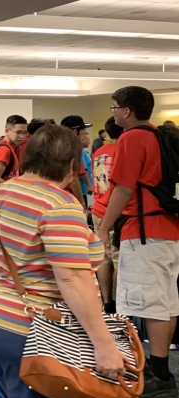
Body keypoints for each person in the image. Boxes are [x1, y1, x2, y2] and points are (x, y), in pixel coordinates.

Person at [0, 124, 124, 398]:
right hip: (33, 330)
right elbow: (73, 278)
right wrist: (104, 343)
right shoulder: (60, 206)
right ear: (71, 165)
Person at [97, 86, 179, 398]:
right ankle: (160, 368)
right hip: (167, 229)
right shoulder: (159, 135)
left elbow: (123, 188)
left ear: (127, 110)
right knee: (167, 302)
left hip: (144, 231)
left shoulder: (132, 138)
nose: (113, 112)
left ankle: (159, 374)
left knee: (152, 304)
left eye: (115, 107)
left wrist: (104, 228)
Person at [91, 117, 125, 314]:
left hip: (98, 208)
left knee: (104, 258)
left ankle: (107, 302)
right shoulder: (123, 151)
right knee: (120, 260)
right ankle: (121, 306)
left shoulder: (99, 151)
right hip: (116, 212)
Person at [0, 115, 27, 185]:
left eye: (24, 132)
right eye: (18, 132)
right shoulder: (3, 150)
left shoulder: (13, 147)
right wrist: (16, 186)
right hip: (5, 190)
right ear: (7, 131)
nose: (22, 136)